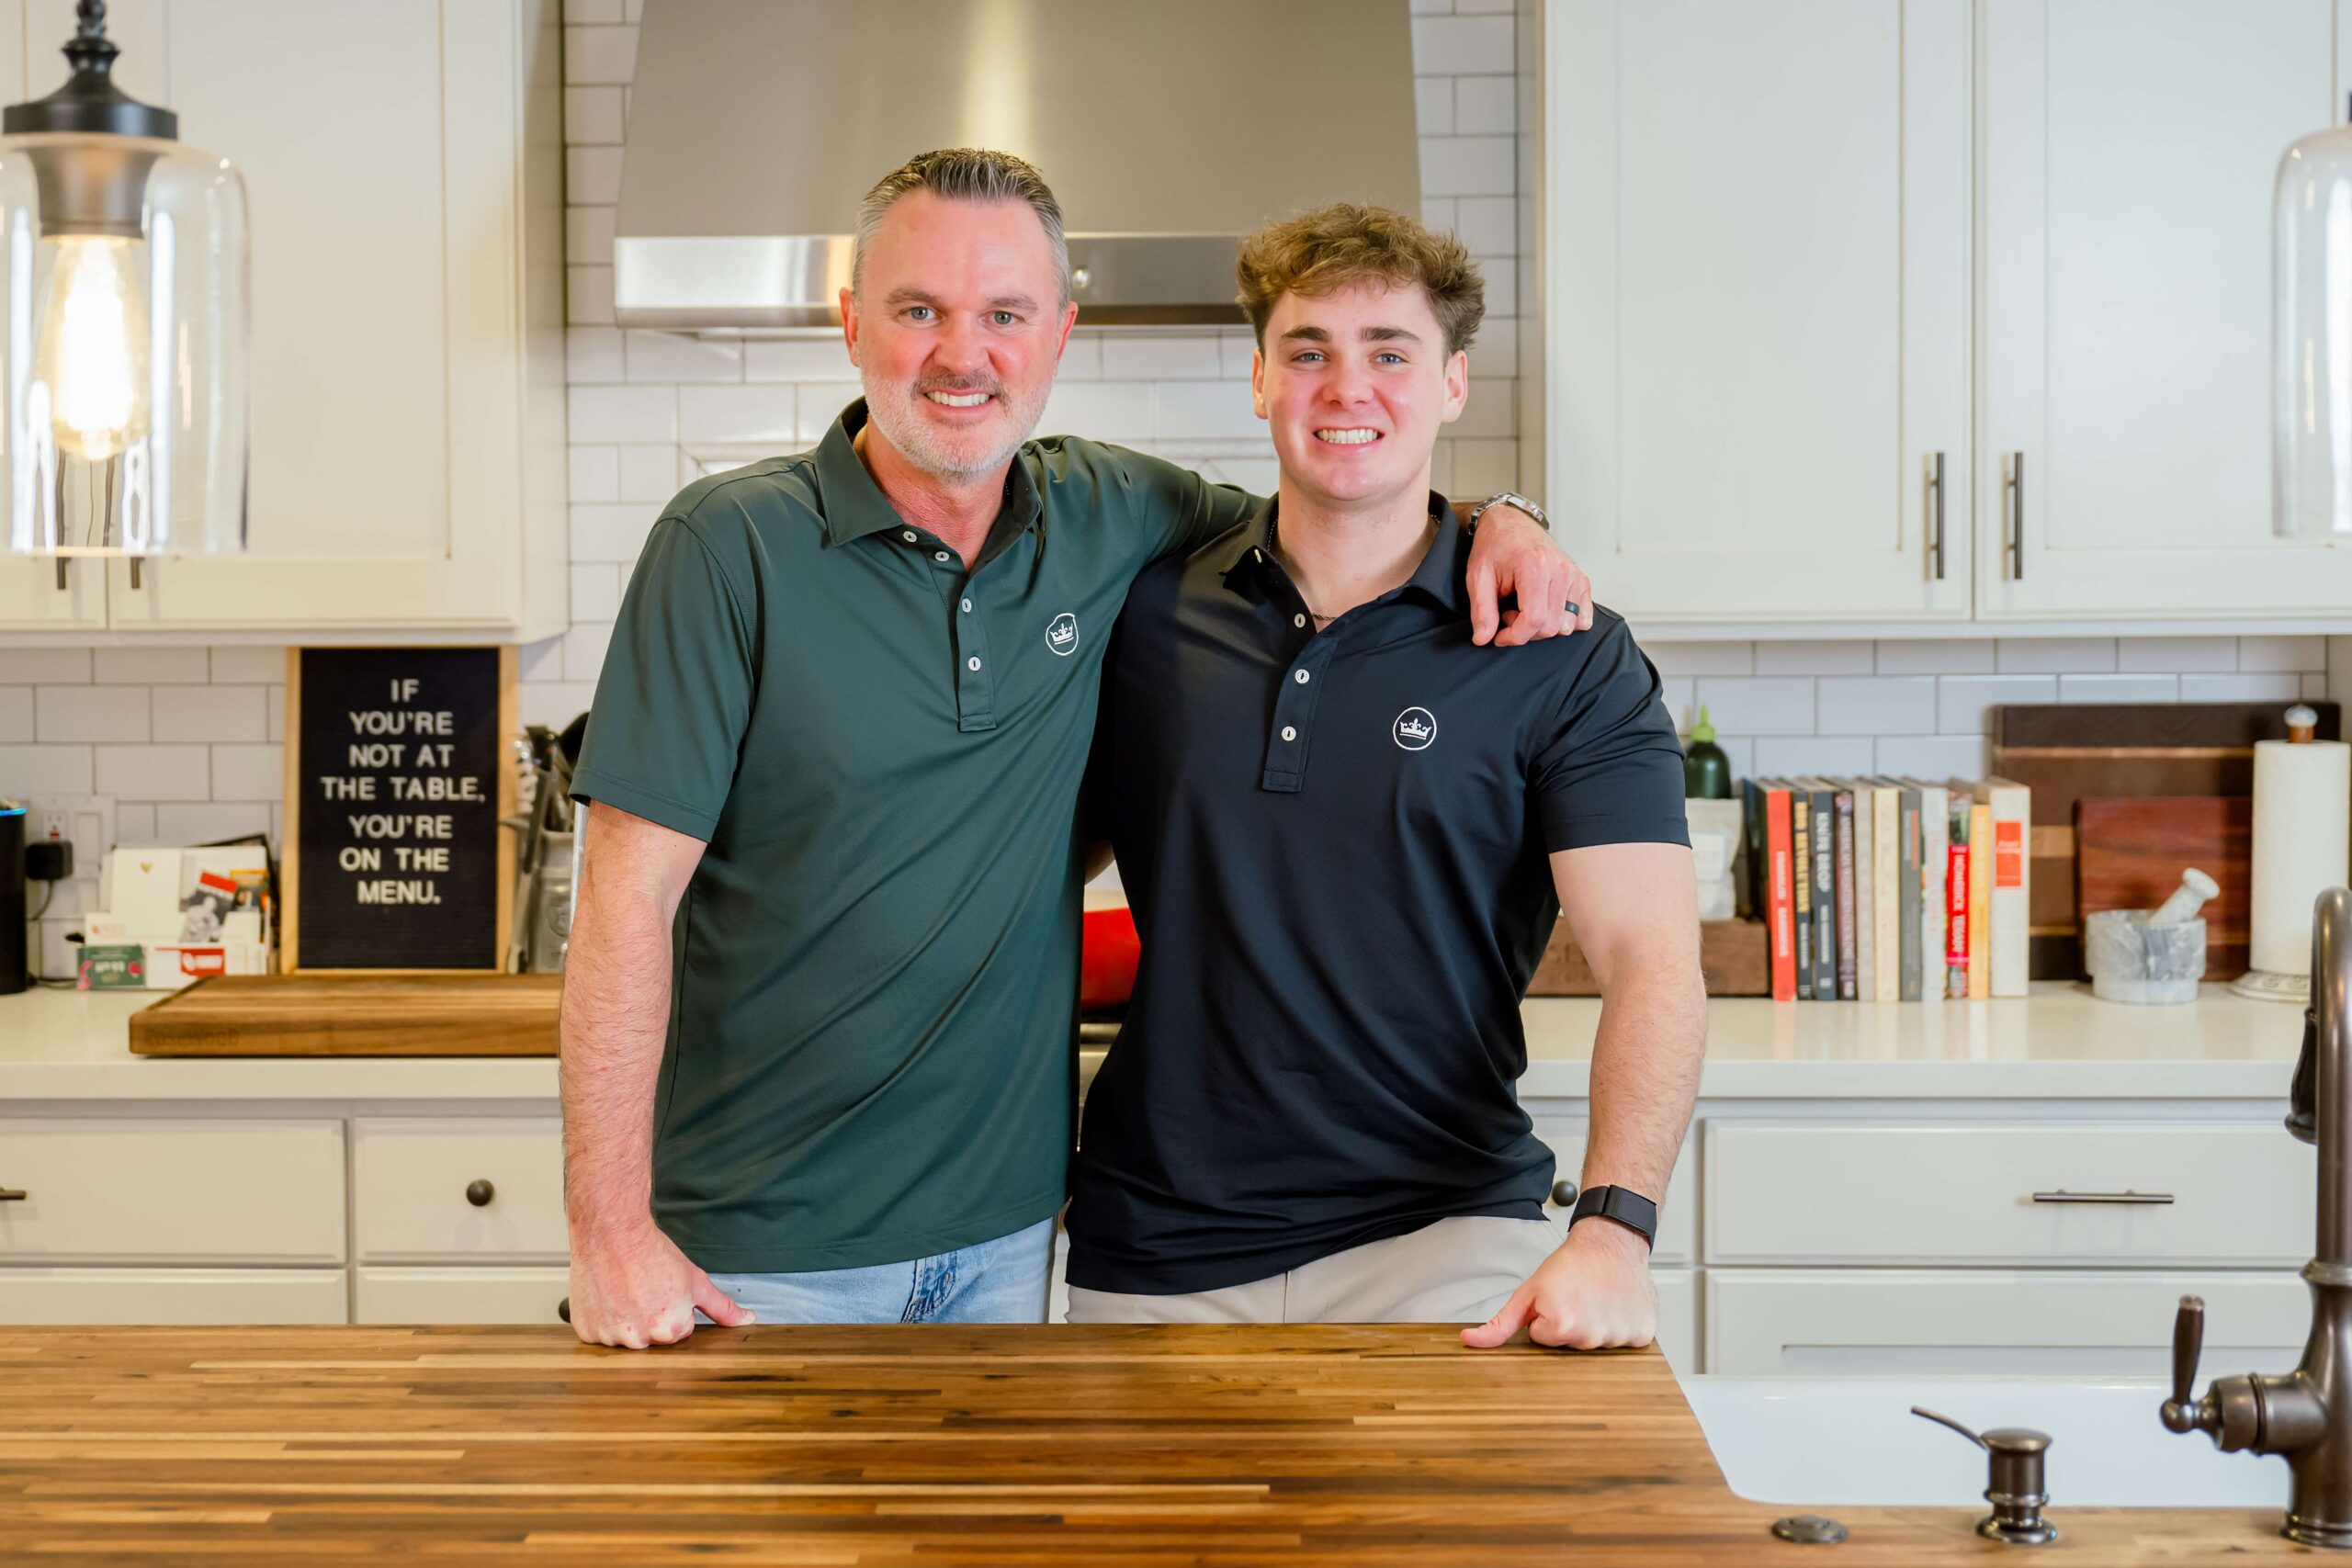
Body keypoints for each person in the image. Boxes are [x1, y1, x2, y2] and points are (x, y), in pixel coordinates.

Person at [560, 150, 1593, 1348]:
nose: (963, 353)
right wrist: (608, 1227)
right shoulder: (728, 546)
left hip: (1010, 1239)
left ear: (1060, 332)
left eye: (1005, 313)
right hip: (758, 1247)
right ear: (852, 323)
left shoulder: (1117, 515)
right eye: (918, 310)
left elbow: (1347, 504)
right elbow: (621, 908)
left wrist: (1505, 517)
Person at [1064, 204, 1705, 1348]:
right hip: (1153, 1248)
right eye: (1307, 352)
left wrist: (1611, 1232)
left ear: (1453, 383)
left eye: (1389, 354)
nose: (1345, 388)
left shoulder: (1556, 646)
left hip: (1445, 1248)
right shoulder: (1145, 610)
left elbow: (1651, 960)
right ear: (1260, 379)